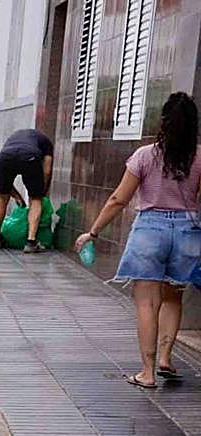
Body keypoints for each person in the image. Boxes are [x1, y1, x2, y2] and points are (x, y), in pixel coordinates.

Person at [74, 92, 201, 389]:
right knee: (173, 297)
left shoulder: (145, 155)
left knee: (147, 303)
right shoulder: (199, 157)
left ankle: (147, 372)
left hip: (150, 231)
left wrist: (93, 232)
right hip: (187, 231)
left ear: (164, 121)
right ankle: (166, 358)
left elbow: (119, 199)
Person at [0, 127, 55, 254]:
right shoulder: (46, 142)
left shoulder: (14, 136)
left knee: (1, 195)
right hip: (29, 156)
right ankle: (31, 241)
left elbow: (6, 186)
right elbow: (47, 170)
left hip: (5, 157)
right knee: (35, 199)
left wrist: (16, 196)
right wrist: (41, 191)